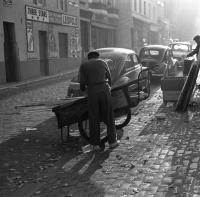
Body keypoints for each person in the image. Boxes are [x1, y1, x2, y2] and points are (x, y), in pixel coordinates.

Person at [79, 51, 118, 151]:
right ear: (97, 57)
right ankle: (113, 142)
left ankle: (95, 144)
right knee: (109, 116)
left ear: (89, 58)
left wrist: (83, 89)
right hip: (104, 91)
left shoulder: (84, 65)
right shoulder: (103, 62)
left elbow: (82, 83)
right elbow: (109, 78)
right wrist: (108, 87)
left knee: (94, 117)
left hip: (92, 92)